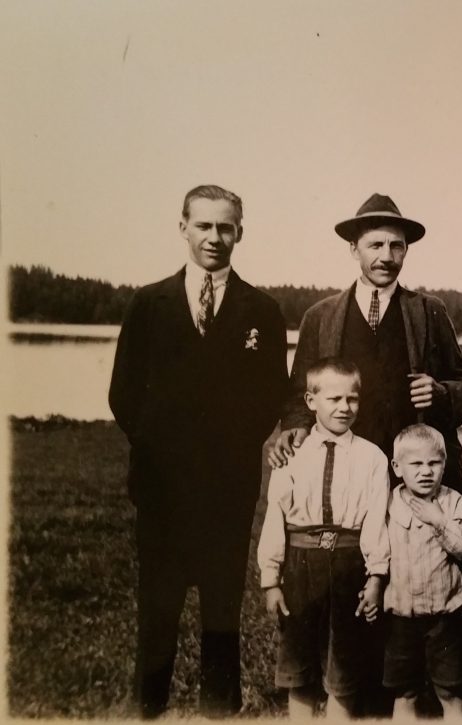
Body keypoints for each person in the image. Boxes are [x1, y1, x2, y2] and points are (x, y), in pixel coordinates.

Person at [108, 184, 288, 717]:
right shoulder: (149, 303)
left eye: (225, 227)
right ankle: (148, 708)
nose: (215, 237)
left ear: (240, 233)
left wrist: (226, 451)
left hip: (227, 493)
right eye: (204, 225)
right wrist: (166, 451)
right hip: (162, 490)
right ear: (182, 227)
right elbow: (123, 393)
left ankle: (218, 710)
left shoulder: (262, 309)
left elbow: (270, 399)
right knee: (157, 612)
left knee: (221, 613)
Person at [270, 193, 462, 496]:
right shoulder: (320, 317)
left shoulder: (430, 311)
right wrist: (295, 426)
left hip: (413, 478)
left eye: (396, 246)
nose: (387, 257)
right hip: (343, 474)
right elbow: (300, 395)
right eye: (375, 245)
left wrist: (441, 394)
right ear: (354, 249)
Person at [257, 358, 390, 718]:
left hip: (349, 568)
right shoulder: (291, 454)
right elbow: (275, 518)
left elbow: (377, 523)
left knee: (342, 668)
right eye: (334, 399)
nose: (344, 408)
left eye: (352, 399)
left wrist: (376, 577)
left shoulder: (372, 458)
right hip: (301, 569)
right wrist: (271, 580)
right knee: (299, 668)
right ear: (310, 400)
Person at [383, 424, 462, 720]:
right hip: (402, 615)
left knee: (450, 690)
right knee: (404, 691)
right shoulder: (389, 503)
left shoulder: (452, 502)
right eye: (416, 464)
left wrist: (440, 521)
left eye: (434, 463)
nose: (426, 471)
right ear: (398, 467)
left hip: (445, 614)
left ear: (444, 465)